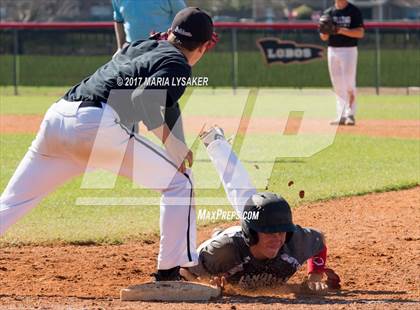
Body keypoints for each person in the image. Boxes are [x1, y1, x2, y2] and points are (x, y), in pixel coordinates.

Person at [0, 7, 216, 281]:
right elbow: (146, 99)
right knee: (180, 183)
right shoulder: (179, 65)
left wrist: (175, 142)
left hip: (58, 118)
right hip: (96, 125)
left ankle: (172, 270)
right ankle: (169, 274)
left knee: (11, 203)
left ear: (172, 32)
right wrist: (171, 145)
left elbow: (163, 99)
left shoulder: (144, 46)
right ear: (204, 47)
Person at [181, 127, 341, 293]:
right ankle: (216, 142)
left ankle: (216, 142)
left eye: (281, 232)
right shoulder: (221, 253)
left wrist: (315, 275)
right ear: (252, 234)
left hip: (248, 229)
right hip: (231, 245)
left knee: (247, 197)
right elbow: (183, 269)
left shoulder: (292, 241)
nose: (277, 238)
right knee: (244, 195)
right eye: (269, 233)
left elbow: (318, 240)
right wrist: (206, 285)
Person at [319, 0, 364, 126]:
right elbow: (324, 37)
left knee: (349, 82)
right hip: (332, 49)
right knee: (337, 84)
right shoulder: (328, 12)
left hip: (349, 49)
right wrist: (325, 30)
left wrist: (339, 30)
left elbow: (360, 33)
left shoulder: (353, 11)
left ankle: (350, 114)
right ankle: (341, 115)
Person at [112, 0, 186, 52]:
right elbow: (118, 20)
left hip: (164, 50)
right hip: (133, 51)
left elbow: (183, 16)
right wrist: (120, 47)